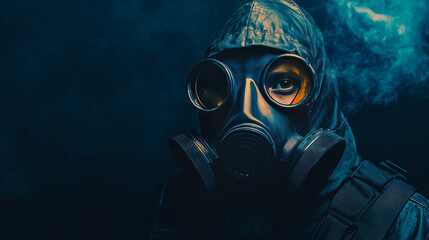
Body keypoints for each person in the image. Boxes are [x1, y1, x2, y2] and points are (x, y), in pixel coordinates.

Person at [114, 0, 429, 239]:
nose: (246, 110)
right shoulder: (166, 212)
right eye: (223, 86)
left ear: (321, 93)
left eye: (282, 83)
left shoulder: (399, 222)